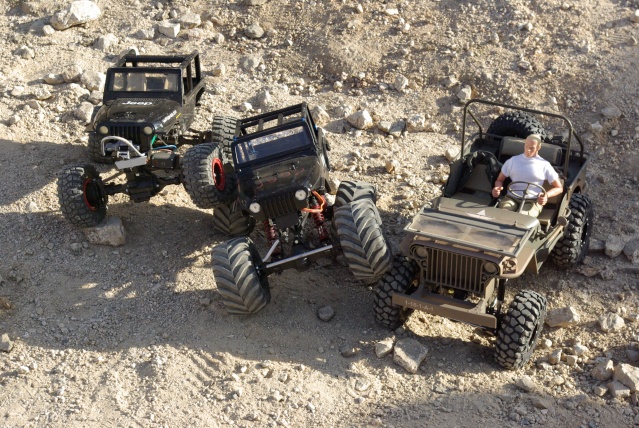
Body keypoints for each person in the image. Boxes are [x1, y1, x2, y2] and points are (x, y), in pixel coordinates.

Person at [491, 134, 563, 217]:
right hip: (511, 198)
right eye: (526, 146)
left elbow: (559, 187)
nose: (528, 150)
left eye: (532, 148)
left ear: (538, 147)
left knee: (522, 218)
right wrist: (497, 188)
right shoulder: (513, 161)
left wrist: (546, 195)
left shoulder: (545, 165)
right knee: (504, 215)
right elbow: (499, 180)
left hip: (533, 201)